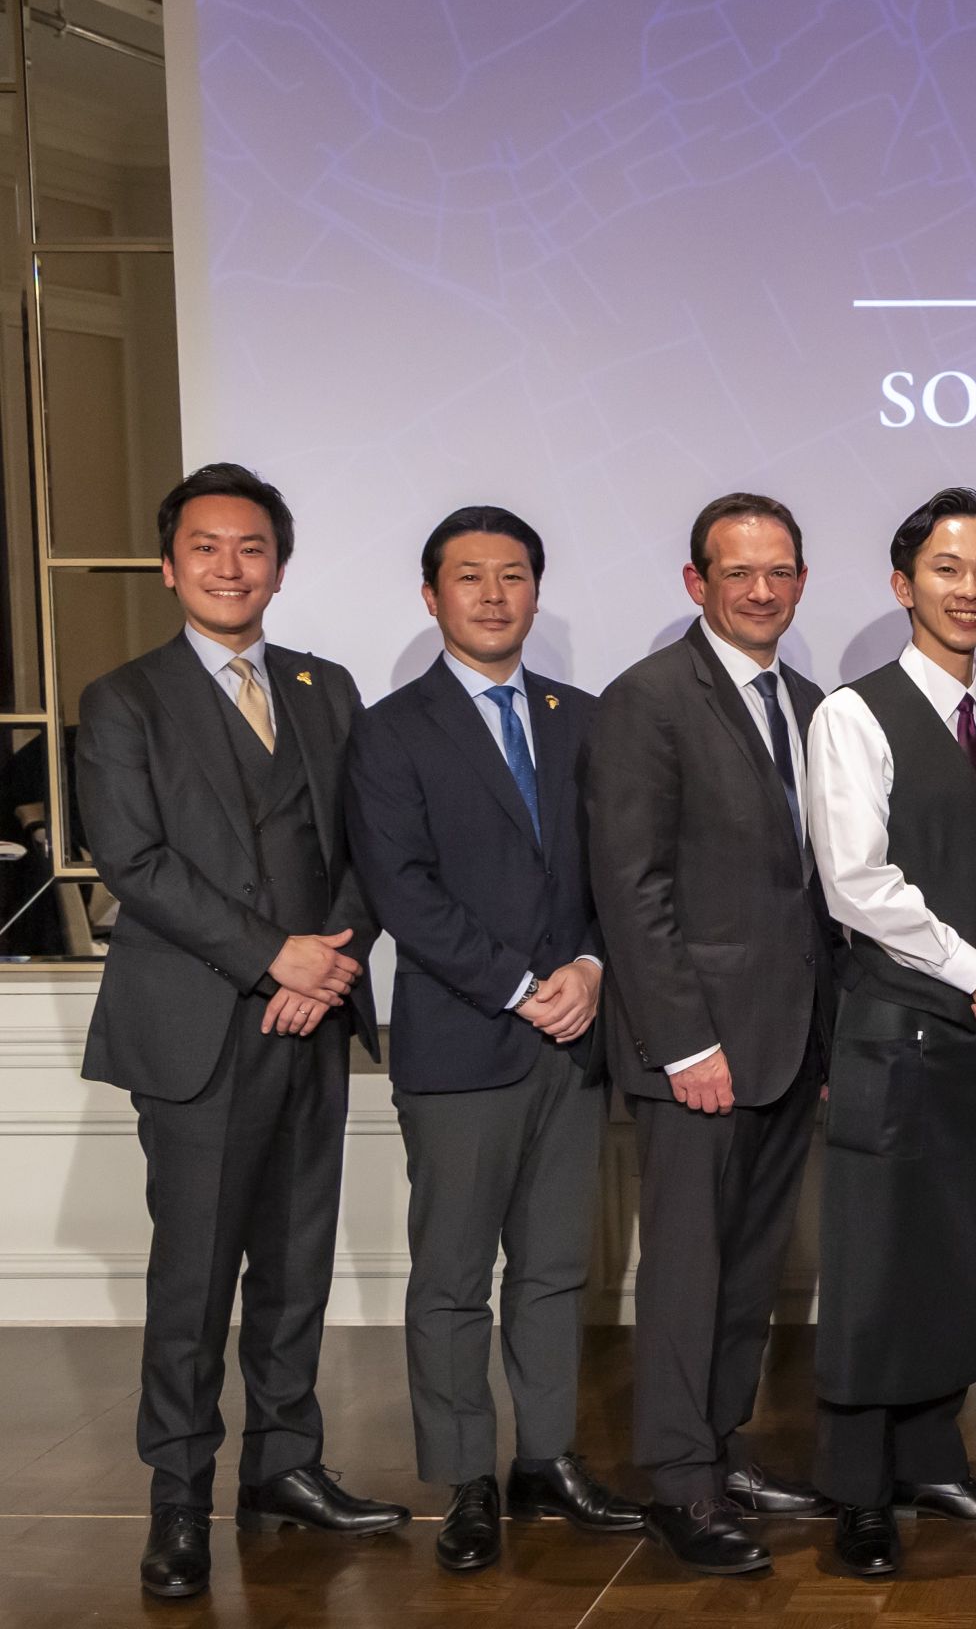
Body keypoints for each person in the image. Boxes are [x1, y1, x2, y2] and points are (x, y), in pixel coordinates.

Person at [77, 463, 404, 1599]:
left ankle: (284, 1464)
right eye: (207, 547)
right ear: (170, 568)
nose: (231, 565)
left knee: (297, 1261)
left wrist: (331, 960)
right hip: (199, 1028)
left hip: (312, 1020)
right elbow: (136, 860)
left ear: (280, 565)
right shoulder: (124, 698)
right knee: (196, 1276)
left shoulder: (325, 685)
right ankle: (178, 1497)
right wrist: (275, 955)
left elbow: (369, 841)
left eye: (252, 547)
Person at [342, 507, 642, 1572]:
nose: (492, 594)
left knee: (556, 1269)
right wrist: (521, 986)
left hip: (575, 1037)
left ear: (535, 592)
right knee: (454, 1276)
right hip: (463, 1042)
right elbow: (403, 891)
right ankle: (467, 1476)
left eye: (512, 575)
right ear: (432, 596)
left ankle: (545, 1457)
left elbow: (619, 869)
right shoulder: (389, 730)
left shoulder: (585, 719)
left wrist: (592, 965)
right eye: (468, 576)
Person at [803, 488, 976, 1580]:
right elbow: (856, 883)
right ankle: (859, 1492)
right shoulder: (851, 714)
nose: (970, 589)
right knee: (876, 1264)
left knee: (962, 1257)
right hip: (897, 1033)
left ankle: (931, 1458)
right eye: (948, 569)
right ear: (903, 582)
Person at [588, 493, 836, 1576]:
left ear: (801, 580)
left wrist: (825, 1037)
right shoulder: (646, 700)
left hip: (790, 1042)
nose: (761, 590)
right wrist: (684, 1043)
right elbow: (630, 888)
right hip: (697, 1050)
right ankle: (680, 1481)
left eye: (779, 571)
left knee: (748, 1268)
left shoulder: (812, 704)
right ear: (697, 582)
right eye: (739, 572)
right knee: (688, 1272)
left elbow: (813, 891)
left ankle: (723, 1448)